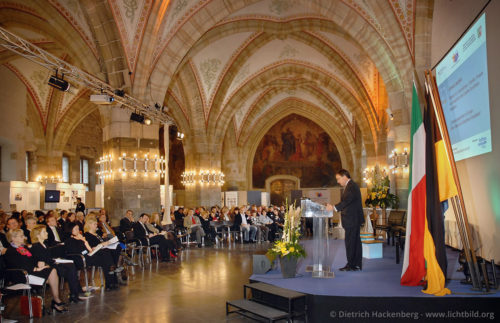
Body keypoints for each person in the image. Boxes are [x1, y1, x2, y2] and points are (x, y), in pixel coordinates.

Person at [4, 229, 67, 312]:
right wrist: (36, 268)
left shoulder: (23, 247)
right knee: (52, 272)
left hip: (31, 271)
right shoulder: (10, 251)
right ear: (14, 238)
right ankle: (56, 301)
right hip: (22, 275)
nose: (24, 237)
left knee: (52, 271)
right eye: (21, 236)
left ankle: (56, 300)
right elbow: (19, 265)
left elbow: (32, 259)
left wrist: (38, 263)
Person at [29, 225, 89, 303]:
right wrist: (55, 261)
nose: (47, 233)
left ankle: (74, 293)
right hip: (46, 268)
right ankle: (74, 294)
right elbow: (42, 261)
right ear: (38, 235)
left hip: (52, 263)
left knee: (71, 266)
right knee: (70, 269)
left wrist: (57, 260)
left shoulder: (45, 245)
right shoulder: (36, 246)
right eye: (44, 232)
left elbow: (49, 258)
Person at [327, 169, 364, 271]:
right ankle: (355, 264)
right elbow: (346, 201)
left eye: (338, 179)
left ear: (344, 177)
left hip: (352, 220)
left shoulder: (351, 186)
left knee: (351, 243)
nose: (338, 181)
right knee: (354, 242)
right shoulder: (351, 186)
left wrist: (334, 207)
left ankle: (351, 265)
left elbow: (347, 201)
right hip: (352, 220)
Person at [64, 222, 119, 290]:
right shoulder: (69, 241)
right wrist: (84, 243)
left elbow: (88, 248)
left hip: (88, 255)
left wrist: (90, 247)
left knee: (105, 253)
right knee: (105, 258)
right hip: (81, 258)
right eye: (76, 229)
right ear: (70, 230)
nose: (78, 231)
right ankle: (111, 280)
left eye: (78, 229)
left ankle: (111, 281)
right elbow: (77, 252)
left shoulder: (80, 238)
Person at [84, 219, 127, 285]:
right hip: (96, 253)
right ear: (89, 225)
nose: (96, 226)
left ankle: (114, 272)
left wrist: (106, 243)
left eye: (96, 224)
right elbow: (92, 247)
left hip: (103, 249)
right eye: (94, 224)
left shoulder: (97, 233)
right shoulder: (87, 234)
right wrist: (102, 244)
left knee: (117, 247)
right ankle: (112, 277)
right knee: (107, 254)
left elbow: (101, 243)